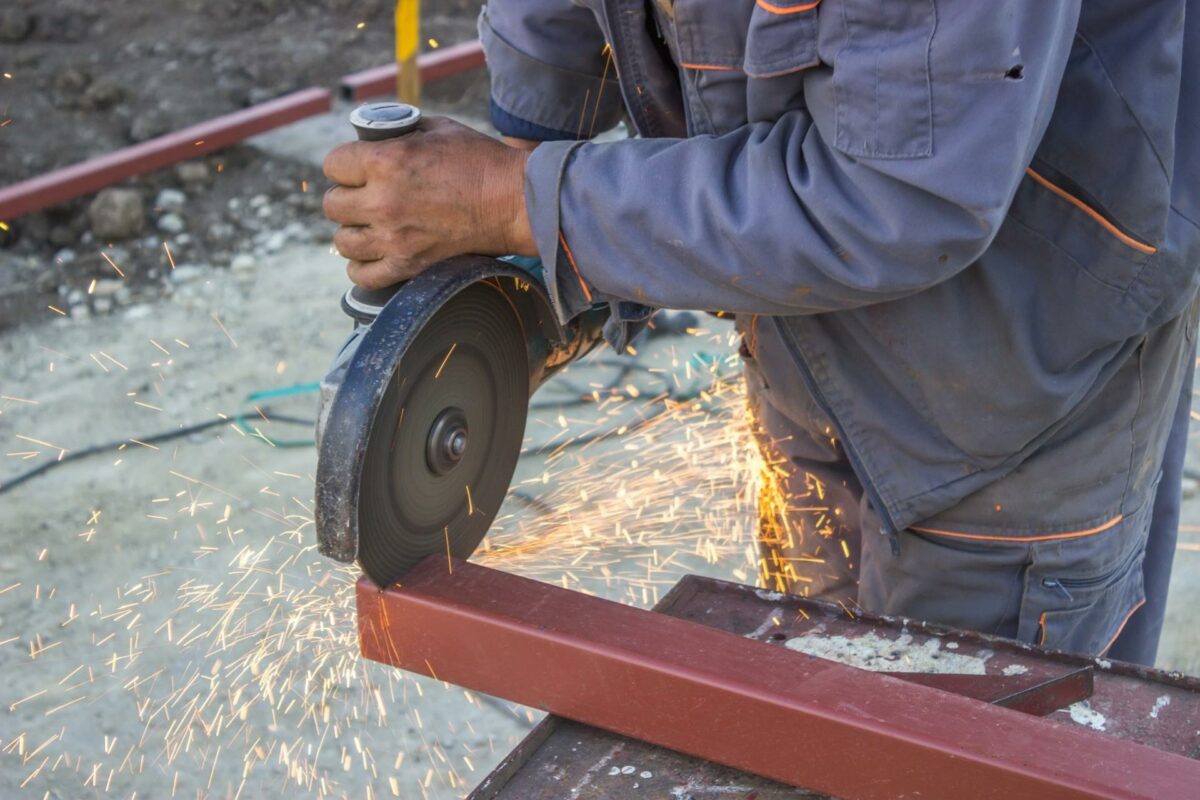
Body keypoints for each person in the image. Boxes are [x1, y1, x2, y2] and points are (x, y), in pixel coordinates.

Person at [321, 1, 1199, 666]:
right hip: (806, 320)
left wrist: (517, 200)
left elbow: (898, 197)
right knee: (822, 690)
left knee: (961, 736)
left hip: (1018, 369)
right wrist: (521, 173)